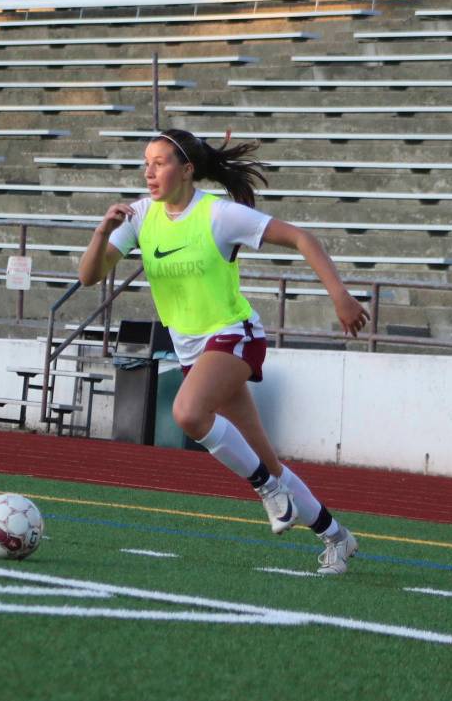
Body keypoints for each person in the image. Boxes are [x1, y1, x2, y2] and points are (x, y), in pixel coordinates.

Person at [79, 129, 369, 575]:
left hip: (235, 334)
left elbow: (303, 238)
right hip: (194, 348)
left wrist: (340, 296)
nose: (149, 172)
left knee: (188, 414)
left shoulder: (219, 215)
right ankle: (336, 537)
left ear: (187, 170)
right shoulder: (138, 215)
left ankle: (266, 490)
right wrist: (102, 231)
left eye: (159, 163)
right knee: (268, 460)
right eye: (146, 163)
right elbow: (89, 277)